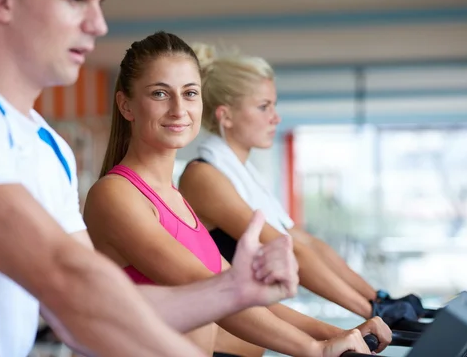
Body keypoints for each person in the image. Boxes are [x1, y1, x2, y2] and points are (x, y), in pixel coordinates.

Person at [0, 0, 311, 357]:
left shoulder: (50, 147)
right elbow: (70, 281)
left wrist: (233, 290)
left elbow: (96, 306)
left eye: (99, 3)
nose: (98, 24)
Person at [83, 30, 392, 357]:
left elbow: (242, 295)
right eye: (160, 94)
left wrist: (340, 333)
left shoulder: (176, 200)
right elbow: (211, 293)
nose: (178, 109)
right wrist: (315, 349)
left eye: (190, 93)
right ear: (126, 105)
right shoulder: (115, 195)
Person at [177, 43, 422, 356]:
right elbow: (290, 252)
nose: (276, 118)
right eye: (264, 107)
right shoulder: (204, 176)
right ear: (225, 116)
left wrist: (378, 299)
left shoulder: (245, 176)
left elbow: (310, 244)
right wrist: (371, 309)